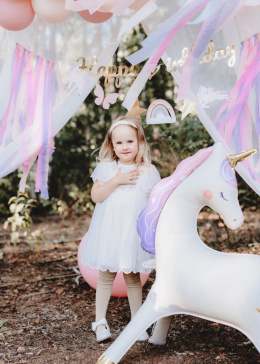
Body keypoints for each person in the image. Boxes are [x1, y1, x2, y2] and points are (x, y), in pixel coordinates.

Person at [81, 115, 160, 343]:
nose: (125, 147)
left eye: (130, 142)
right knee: (106, 275)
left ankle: (137, 323)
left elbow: (154, 204)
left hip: (132, 234)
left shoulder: (148, 170)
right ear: (112, 145)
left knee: (133, 276)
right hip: (110, 232)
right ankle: (100, 322)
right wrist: (117, 180)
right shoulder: (107, 168)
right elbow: (96, 196)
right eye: (119, 142)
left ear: (139, 143)